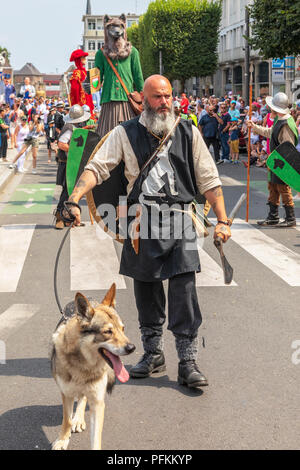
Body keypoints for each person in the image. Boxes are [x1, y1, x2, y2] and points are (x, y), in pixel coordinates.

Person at [64, 75, 231, 389]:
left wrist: (223, 220)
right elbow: (97, 168)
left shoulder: (187, 132)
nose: (165, 102)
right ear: (143, 99)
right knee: (146, 293)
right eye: (157, 97)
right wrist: (73, 198)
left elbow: (209, 179)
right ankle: (153, 354)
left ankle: (187, 361)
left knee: (184, 293)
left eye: (168, 96)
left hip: (180, 220)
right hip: (141, 224)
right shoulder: (124, 134)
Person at [247, 92, 298, 227]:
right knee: (273, 187)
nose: (270, 109)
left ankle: (290, 217)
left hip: (281, 163)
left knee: (283, 188)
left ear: (277, 109)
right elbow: (269, 133)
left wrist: (279, 163)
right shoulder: (278, 120)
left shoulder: (286, 123)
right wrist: (254, 127)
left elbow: (287, 147)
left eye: (272, 107)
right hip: (275, 162)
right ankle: (273, 216)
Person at [54, 104, 91, 229]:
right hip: (67, 164)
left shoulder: (74, 127)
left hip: (74, 163)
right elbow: (62, 144)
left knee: (74, 192)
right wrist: (75, 152)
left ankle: (70, 218)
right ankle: (59, 217)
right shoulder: (69, 127)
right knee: (67, 191)